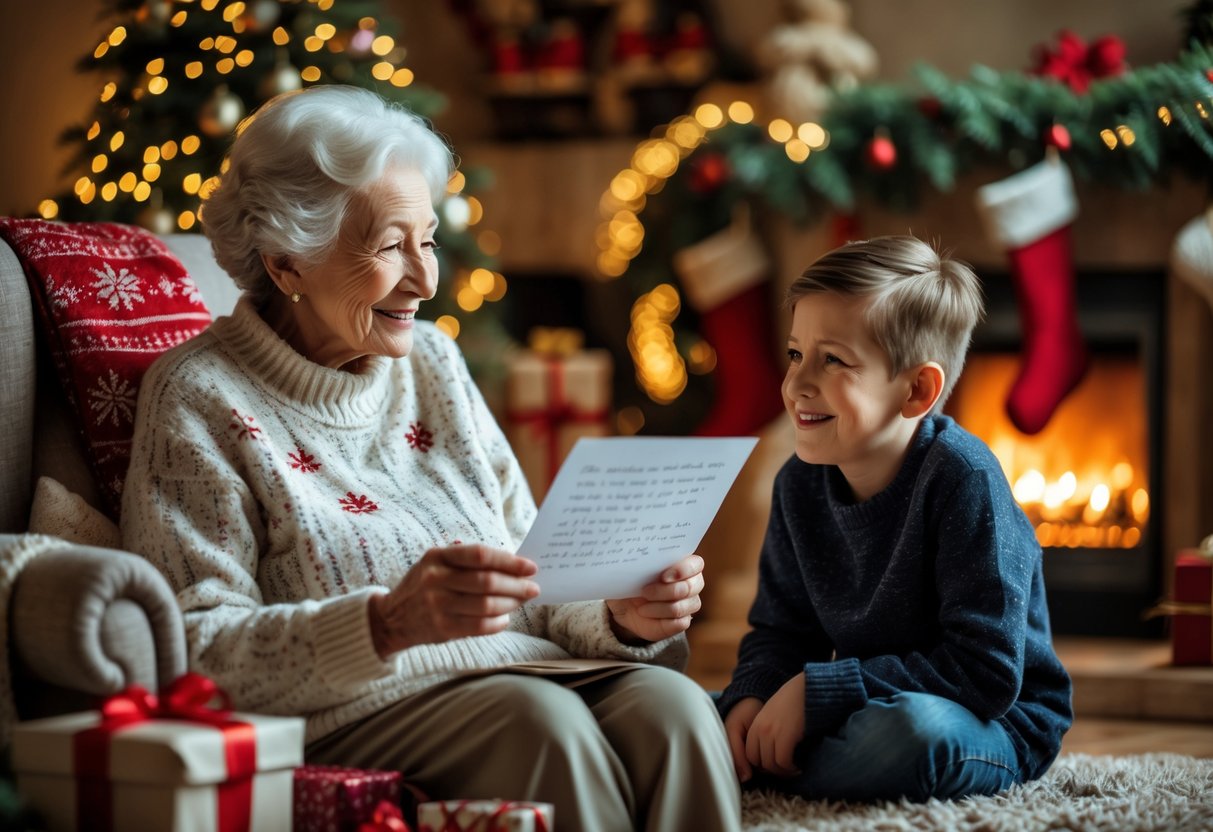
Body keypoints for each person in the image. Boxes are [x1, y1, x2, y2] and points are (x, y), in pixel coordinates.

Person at [120, 85, 741, 832]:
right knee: (541, 724)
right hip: (353, 706)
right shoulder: (198, 395)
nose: (426, 279)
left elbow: (534, 575)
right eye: (389, 247)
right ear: (287, 263)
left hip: (521, 669)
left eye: (429, 241)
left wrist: (620, 616)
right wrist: (385, 625)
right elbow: (194, 652)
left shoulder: (433, 365)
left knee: (673, 707)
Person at [717, 235, 1073, 803]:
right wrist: (755, 697)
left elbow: (984, 673)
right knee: (695, 711)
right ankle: (761, 754)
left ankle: (764, 769)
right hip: (867, 700)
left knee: (911, 736)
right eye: (794, 353)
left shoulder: (964, 477)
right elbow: (781, 632)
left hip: (991, 720)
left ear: (916, 390)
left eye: (832, 359)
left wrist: (819, 692)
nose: (797, 383)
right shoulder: (797, 483)